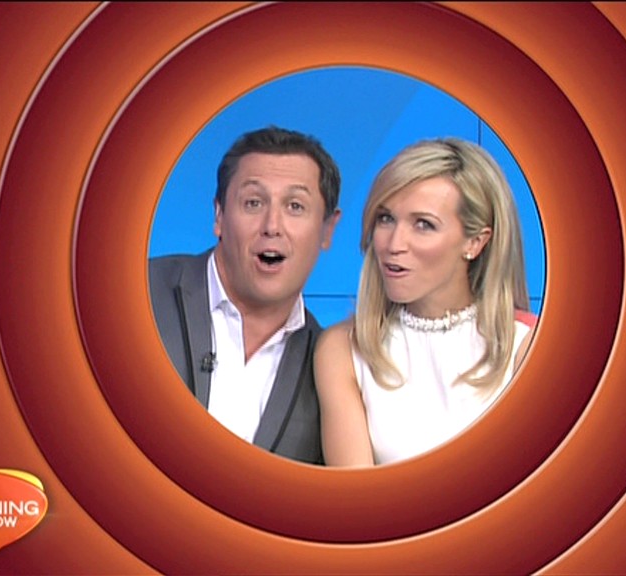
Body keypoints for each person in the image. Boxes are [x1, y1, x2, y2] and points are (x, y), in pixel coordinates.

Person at [314, 137, 536, 467]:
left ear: (475, 242)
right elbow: (355, 494)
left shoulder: (529, 346)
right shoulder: (343, 349)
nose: (394, 244)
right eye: (386, 219)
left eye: (423, 225)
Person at [148, 126, 341, 464]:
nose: (272, 226)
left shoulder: (331, 368)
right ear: (219, 216)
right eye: (253, 203)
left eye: (295, 206)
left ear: (327, 230)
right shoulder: (136, 291)